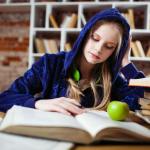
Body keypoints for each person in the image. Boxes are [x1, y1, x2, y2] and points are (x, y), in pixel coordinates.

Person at [0, 8, 144, 115]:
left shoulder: (112, 78)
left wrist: (126, 62)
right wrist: (38, 103)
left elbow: (143, 102)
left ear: (115, 52)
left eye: (109, 46)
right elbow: (5, 98)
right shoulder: (50, 64)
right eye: (95, 38)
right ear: (85, 36)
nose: (98, 49)